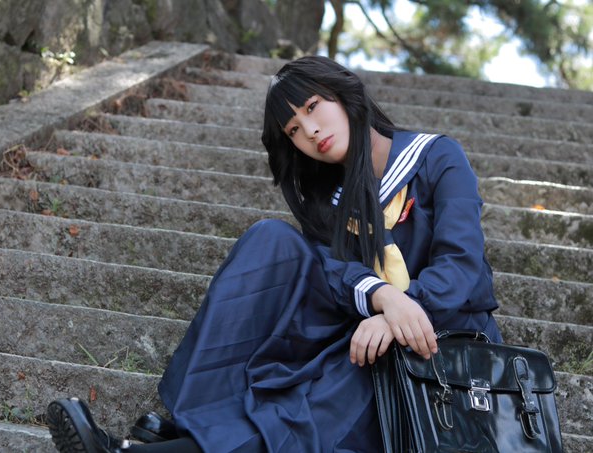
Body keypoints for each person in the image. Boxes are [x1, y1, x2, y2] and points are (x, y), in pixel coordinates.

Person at [47, 55, 502, 453]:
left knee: (332, 389)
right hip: (365, 332)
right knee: (271, 240)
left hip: (444, 341)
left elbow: (461, 266)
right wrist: (382, 298)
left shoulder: (437, 157)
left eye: (312, 107)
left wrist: (398, 313)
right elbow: (333, 272)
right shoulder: (328, 199)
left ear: (343, 93)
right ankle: (198, 421)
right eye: (294, 130)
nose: (311, 131)